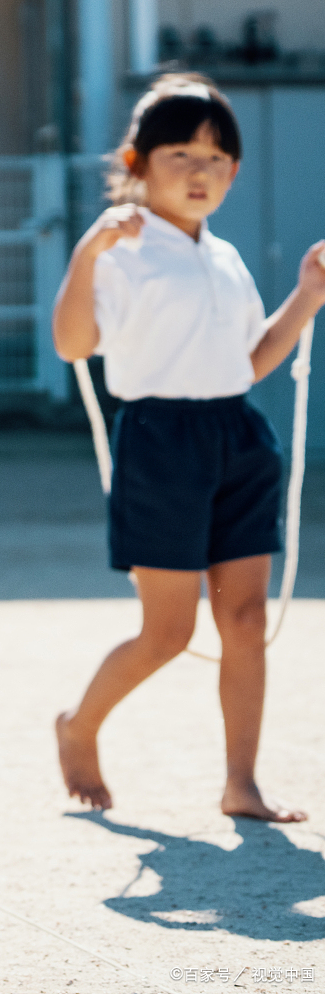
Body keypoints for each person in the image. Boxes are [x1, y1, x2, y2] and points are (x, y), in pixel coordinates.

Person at [52, 73, 323, 823]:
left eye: (216, 158)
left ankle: (242, 784)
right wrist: (87, 250)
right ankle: (79, 727)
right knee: (168, 632)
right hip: (160, 443)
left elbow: (248, 362)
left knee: (244, 624)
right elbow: (73, 343)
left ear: (233, 172)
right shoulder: (120, 250)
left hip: (238, 437)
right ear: (136, 163)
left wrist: (306, 292)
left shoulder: (226, 257)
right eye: (180, 154)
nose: (200, 171)